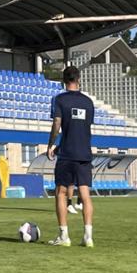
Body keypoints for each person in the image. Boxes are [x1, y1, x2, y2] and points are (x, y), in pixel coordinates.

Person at [46, 66, 95, 248]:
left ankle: (64, 236)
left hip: (67, 153)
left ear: (63, 80)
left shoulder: (59, 99)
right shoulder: (89, 102)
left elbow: (58, 123)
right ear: (79, 79)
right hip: (84, 152)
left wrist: (51, 144)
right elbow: (83, 128)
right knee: (85, 194)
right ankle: (88, 237)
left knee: (61, 192)